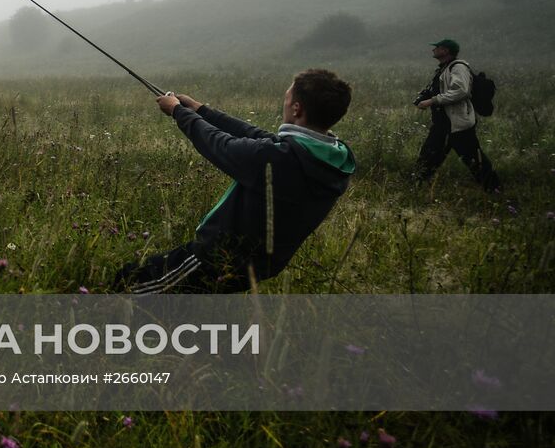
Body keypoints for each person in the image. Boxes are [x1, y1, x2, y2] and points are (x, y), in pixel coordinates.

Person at [113, 69, 356, 293]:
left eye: (286, 98)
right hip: (258, 265)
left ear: (296, 109)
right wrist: (200, 110)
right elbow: (257, 137)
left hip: (217, 259)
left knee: (128, 283)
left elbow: (220, 145)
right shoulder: (330, 159)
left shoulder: (279, 159)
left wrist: (178, 112)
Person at [414, 38, 500, 192]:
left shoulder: (458, 67)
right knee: (428, 154)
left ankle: (494, 188)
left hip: (458, 124)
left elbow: (461, 91)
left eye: (437, 47)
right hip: (443, 123)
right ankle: (417, 184)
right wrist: (425, 96)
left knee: (474, 159)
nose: (433, 50)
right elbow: (441, 89)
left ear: (446, 51)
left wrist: (432, 101)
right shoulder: (443, 68)